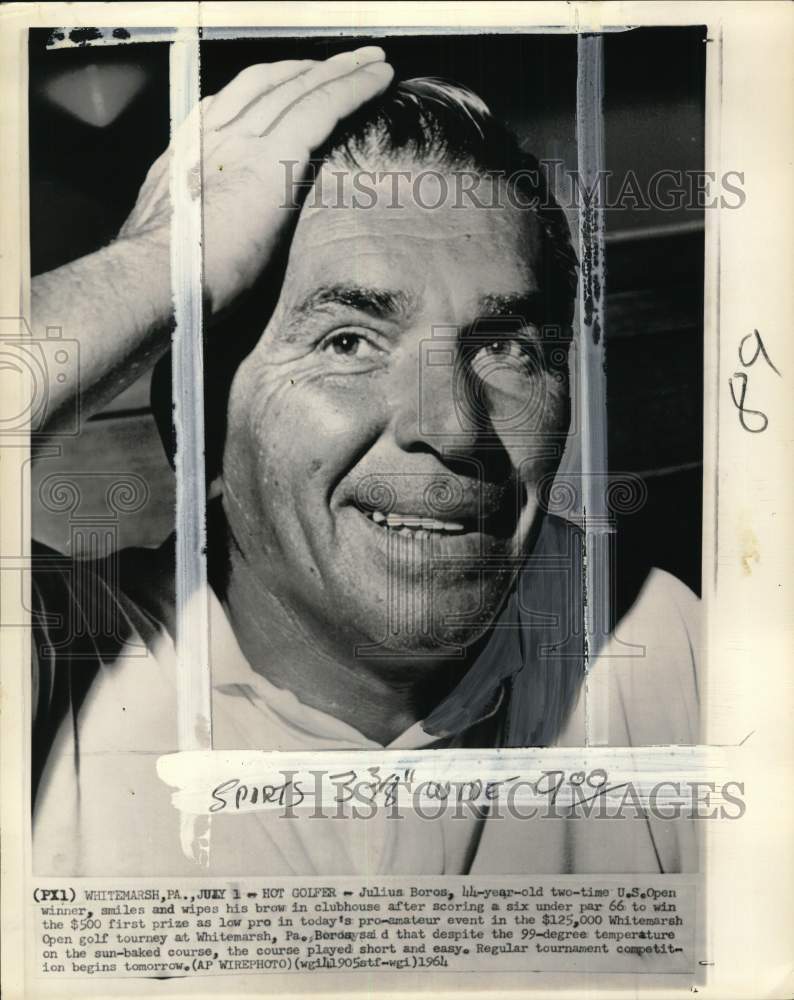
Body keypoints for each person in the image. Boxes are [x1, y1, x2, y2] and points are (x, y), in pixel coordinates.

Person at [30, 47, 700, 876]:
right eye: (349, 341)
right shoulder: (53, 666)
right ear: (191, 425)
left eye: (505, 349)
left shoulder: (663, 644)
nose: (454, 428)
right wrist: (163, 259)